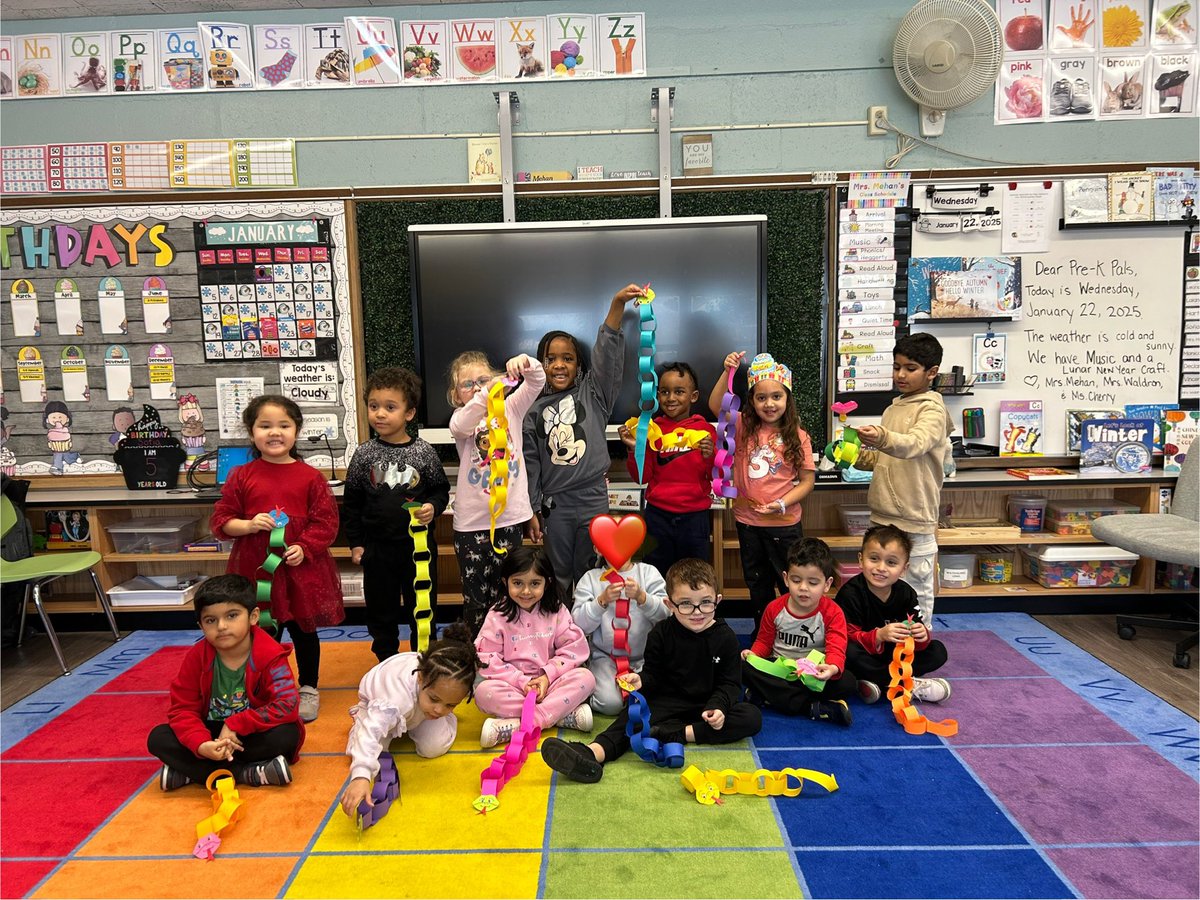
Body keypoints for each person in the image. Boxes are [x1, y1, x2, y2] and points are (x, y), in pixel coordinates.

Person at [540, 558, 762, 783]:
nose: (697, 612)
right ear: (669, 605)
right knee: (632, 715)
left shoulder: (726, 638)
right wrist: (641, 680)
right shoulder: (661, 633)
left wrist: (719, 707)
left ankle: (676, 733)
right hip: (667, 702)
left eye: (705, 603)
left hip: (706, 704)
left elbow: (730, 683)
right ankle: (592, 753)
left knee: (751, 717)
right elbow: (654, 674)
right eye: (685, 604)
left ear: (718, 600)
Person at [211, 395, 344, 723]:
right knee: (261, 632)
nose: (275, 432)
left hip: (301, 573)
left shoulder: (310, 477)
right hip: (256, 572)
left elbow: (326, 522)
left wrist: (305, 546)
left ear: (296, 431)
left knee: (304, 630)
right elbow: (222, 520)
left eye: (284, 425)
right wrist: (250, 524)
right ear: (251, 432)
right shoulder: (242, 476)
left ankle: (309, 687)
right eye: (265, 425)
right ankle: (261, 687)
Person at [524, 284, 647, 586]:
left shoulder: (594, 394)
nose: (559, 365)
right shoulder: (530, 409)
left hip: (593, 498)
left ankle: (589, 632)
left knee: (592, 572)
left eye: (567, 358)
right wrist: (532, 509)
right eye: (550, 358)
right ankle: (564, 631)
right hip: (555, 506)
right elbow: (530, 466)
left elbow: (607, 355)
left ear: (578, 364)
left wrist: (617, 303)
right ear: (542, 365)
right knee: (559, 574)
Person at [147, 574, 304, 791]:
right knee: (158, 738)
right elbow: (182, 709)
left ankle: (193, 772)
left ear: (253, 616)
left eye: (232, 616)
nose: (221, 626)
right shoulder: (196, 657)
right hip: (211, 733)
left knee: (287, 734)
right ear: (201, 625)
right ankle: (248, 773)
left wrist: (235, 724)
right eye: (211, 620)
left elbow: (288, 705)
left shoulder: (270, 655)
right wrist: (202, 745)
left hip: (248, 734)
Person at [345, 367, 451, 661]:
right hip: (377, 549)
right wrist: (356, 543)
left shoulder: (424, 452)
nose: (380, 414)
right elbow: (352, 502)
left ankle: (423, 659)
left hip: (417, 550)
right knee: (381, 609)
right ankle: (386, 661)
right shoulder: (364, 454)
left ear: (409, 413)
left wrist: (433, 506)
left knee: (422, 605)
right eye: (374, 406)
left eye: (390, 407)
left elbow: (440, 490)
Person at [851, 333, 954, 624]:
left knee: (916, 590)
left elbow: (914, 444)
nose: (901, 374)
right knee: (879, 586)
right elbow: (886, 458)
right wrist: (855, 455)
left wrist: (881, 437)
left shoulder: (932, 410)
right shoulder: (892, 408)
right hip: (883, 517)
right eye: (897, 367)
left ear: (932, 372)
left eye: (910, 368)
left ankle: (917, 651)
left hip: (914, 518)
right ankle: (881, 647)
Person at [708, 351, 815, 621]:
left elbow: (807, 482)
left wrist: (780, 503)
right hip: (748, 522)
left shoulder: (798, 437)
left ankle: (790, 631)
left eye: (776, 396)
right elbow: (715, 406)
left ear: (787, 399)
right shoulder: (743, 427)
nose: (769, 404)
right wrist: (726, 371)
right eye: (761, 397)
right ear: (752, 402)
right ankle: (763, 631)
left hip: (784, 524)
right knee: (757, 582)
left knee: (789, 582)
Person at [338, 622, 483, 817]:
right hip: (379, 702)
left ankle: (419, 716)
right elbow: (370, 733)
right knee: (375, 744)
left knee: (434, 747)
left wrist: (436, 706)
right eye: (435, 699)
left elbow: (436, 704)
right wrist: (361, 775)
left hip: (416, 706)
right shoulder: (394, 700)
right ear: (421, 678)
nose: (440, 709)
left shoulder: (434, 693)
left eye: (451, 705)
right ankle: (361, 716)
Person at [447, 351, 545, 636]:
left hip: (509, 520)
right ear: (456, 395)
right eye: (468, 384)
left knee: (509, 591)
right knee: (476, 597)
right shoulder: (461, 419)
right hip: (470, 525)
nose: (476, 387)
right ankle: (478, 656)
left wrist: (526, 362)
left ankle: (510, 648)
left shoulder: (511, 408)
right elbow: (462, 424)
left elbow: (537, 381)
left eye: (482, 379)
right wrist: (487, 392)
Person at [474, 546, 597, 747]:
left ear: (546, 583)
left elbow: (573, 649)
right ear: (506, 582)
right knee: (483, 692)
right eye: (517, 583)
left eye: (534, 583)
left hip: (551, 684)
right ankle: (558, 716)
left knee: (586, 678)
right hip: (513, 687)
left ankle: (520, 724)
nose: (526, 591)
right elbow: (486, 657)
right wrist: (521, 681)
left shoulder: (556, 610)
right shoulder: (497, 616)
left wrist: (547, 677)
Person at [740, 537, 856, 725]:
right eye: (796, 580)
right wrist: (753, 654)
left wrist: (831, 668)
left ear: (827, 584)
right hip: (779, 669)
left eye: (813, 582)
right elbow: (764, 642)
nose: (803, 588)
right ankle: (812, 707)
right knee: (742, 667)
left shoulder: (833, 613)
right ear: (786, 578)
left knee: (848, 682)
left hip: (812, 674)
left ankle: (769, 697)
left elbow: (837, 646)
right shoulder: (774, 608)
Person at [617, 361, 716, 573]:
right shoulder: (652, 430)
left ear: (694, 396)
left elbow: (714, 476)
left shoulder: (705, 430)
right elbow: (641, 478)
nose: (670, 398)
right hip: (657, 517)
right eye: (664, 392)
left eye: (679, 391)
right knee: (656, 576)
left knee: (695, 576)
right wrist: (635, 449)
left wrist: (710, 455)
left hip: (695, 518)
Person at [834, 524, 950, 704]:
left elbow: (915, 635)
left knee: (938, 651)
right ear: (861, 560)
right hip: (864, 655)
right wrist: (879, 635)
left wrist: (921, 636)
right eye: (874, 559)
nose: (881, 568)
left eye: (891, 562)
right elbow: (844, 637)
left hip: (894, 656)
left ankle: (879, 681)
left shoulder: (907, 593)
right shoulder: (850, 594)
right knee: (849, 652)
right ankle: (906, 684)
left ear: (904, 568)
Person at [572, 550, 669, 715]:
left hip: (646, 659)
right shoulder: (590, 578)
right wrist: (600, 601)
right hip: (605, 658)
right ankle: (585, 696)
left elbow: (666, 615)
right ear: (597, 547)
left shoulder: (648, 573)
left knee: (656, 700)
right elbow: (578, 625)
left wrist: (642, 597)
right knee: (610, 705)